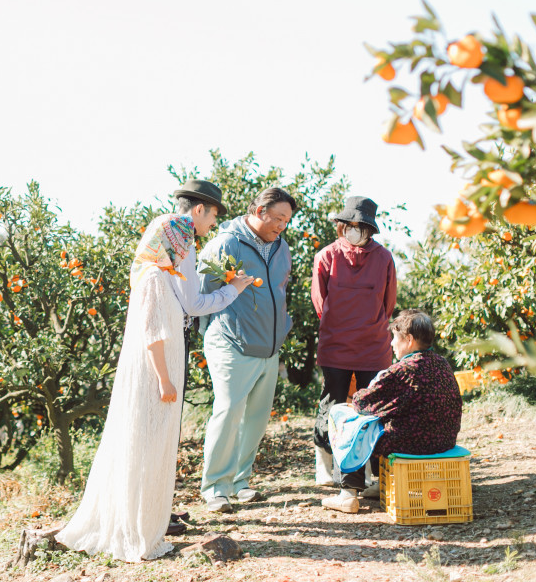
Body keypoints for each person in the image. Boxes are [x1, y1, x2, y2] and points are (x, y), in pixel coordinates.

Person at [56, 180, 252, 561]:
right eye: (212, 217)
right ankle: (140, 527)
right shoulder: (156, 279)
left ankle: (150, 518)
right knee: (148, 441)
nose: (206, 231)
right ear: (198, 212)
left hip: (162, 370)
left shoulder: (162, 275)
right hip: (155, 373)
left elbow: (187, 306)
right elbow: (153, 334)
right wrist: (165, 379)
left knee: (154, 442)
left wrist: (232, 289)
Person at [198, 187, 297, 513]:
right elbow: (202, 293)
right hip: (231, 343)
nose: (282, 226)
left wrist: (281, 329)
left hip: (268, 348)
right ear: (259, 211)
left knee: (254, 419)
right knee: (228, 413)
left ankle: (240, 482)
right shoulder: (226, 243)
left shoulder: (282, 248)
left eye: (287, 220)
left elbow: (280, 291)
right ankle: (215, 488)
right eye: (279, 218)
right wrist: (213, 337)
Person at [322, 309, 462, 513]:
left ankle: (348, 493)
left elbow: (362, 403)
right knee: (387, 418)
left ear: (410, 340)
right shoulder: (442, 364)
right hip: (443, 442)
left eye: (395, 338)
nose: (391, 343)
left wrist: (372, 384)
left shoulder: (402, 371)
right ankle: (382, 483)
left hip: (411, 444)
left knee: (343, 416)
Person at [310, 196, 397, 489]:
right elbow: (320, 304)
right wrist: (340, 326)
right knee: (333, 407)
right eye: (349, 225)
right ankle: (325, 465)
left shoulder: (383, 258)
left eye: (360, 226)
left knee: (373, 409)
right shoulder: (327, 256)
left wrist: (369, 325)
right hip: (336, 347)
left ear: (370, 230)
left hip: (373, 348)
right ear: (341, 226)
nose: (354, 230)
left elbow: (388, 304)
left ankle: (371, 474)